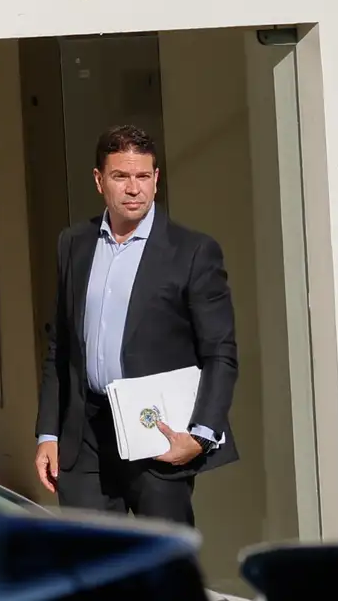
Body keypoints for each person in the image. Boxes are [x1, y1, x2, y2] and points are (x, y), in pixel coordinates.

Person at [33, 124, 239, 526]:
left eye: (143, 176)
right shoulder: (74, 243)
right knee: (90, 558)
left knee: (162, 556)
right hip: (85, 437)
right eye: (120, 176)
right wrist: (48, 433)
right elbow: (61, 345)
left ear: (156, 179)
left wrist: (201, 435)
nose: (133, 188)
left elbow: (221, 352)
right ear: (99, 180)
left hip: (158, 434)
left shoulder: (192, 252)